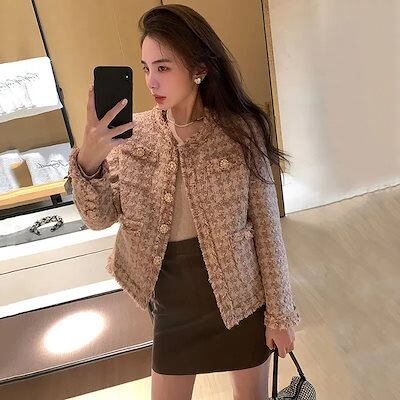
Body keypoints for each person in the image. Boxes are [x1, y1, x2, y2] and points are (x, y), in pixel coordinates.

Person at [71, 4, 301, 400]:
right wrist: (90, 160)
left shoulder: (240, 132)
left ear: (199, 69)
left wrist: (280, 313)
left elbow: (267, 229)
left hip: (240, 298)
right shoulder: (133, 134)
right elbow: (98, 218)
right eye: (145, 68)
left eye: (163, 67)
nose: (151, 81)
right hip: (171, 302)